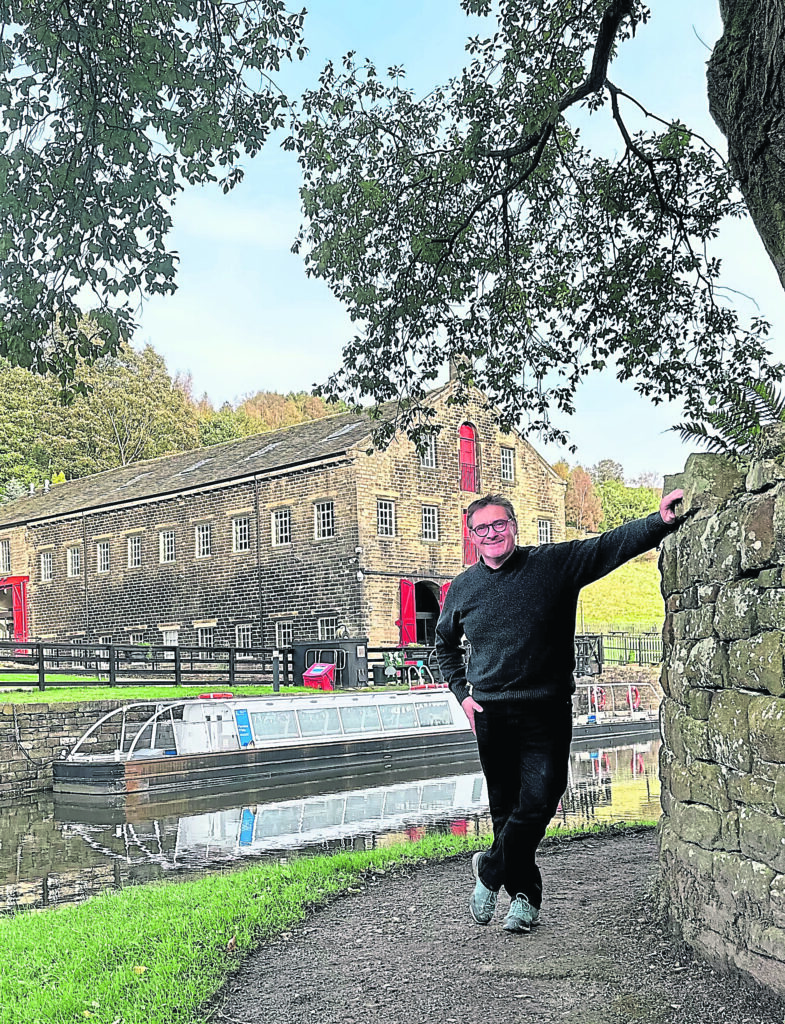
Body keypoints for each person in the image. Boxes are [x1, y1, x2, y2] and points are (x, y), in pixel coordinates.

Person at [435, 488, 683, 933]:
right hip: (490, 714)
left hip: (545, 710)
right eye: (482, 528)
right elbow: (445, 647)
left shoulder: (552, 565)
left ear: (514, 526)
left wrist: (659, 521)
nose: (492, 534)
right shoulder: (464, 588)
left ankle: (490, 868)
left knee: (542, 798)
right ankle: (525, 900)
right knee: (505, 810)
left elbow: (608, 546)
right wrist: (461, 693)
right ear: (471, 536)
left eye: (499, 524)